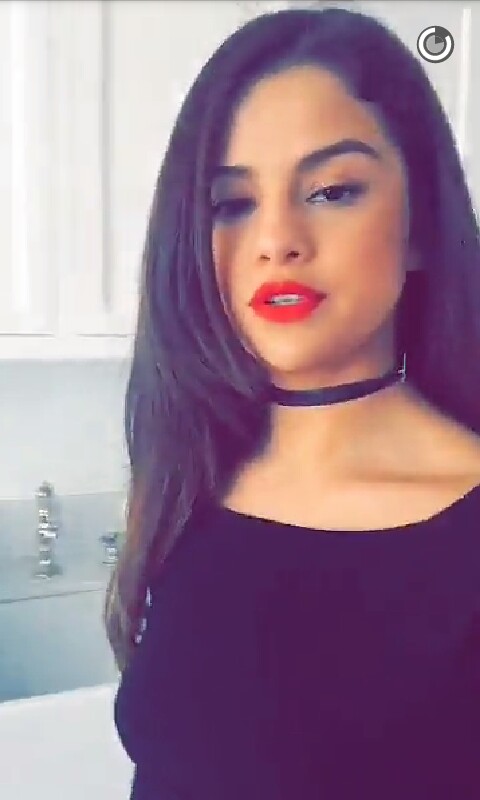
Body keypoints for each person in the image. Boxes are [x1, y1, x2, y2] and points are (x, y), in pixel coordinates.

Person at [106, 6, 480, 799]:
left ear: (420, 225)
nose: (277, 239)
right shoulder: (192, 475)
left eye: (333, 190)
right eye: (232, 203)